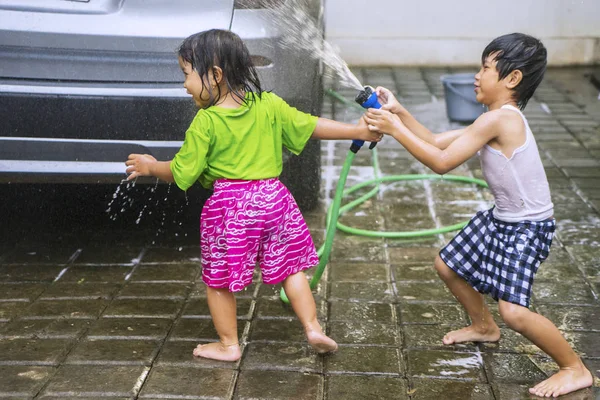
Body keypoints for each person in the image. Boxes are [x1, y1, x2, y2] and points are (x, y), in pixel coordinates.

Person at [125, 29, 381, 362]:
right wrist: (358, 130)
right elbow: (311, 125)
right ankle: (314, 327)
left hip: (230, 207)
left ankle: (229, 345)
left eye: (186, 75)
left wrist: (151, 166)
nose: (184, 84)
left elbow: (181, 172)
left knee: (218, 279)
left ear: (215, 76)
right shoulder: (268, 104)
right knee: (291, 269)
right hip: (275, 199)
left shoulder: (207, 122)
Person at [363, 33, 593, 397]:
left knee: (515, 312)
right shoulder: (493, 119)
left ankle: (574, 367)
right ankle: (484, 327)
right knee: (447, 266)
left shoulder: (501, 120)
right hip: (503, 218)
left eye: (485, 68)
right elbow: (437, 140)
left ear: (512, 78)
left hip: (526, 228)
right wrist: (400, 112)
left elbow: (440, 163)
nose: (476, 75)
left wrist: (393, 130)